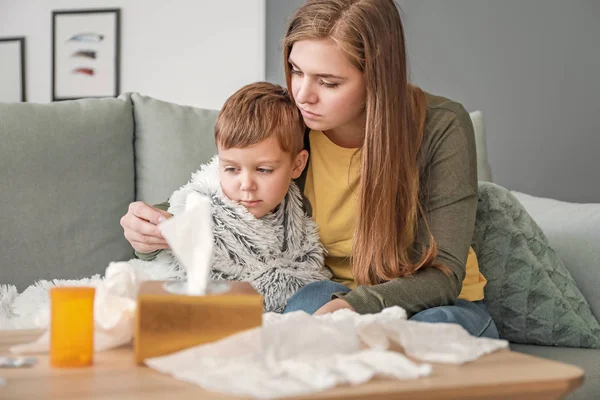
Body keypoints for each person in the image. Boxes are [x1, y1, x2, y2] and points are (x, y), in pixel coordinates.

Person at [121, 0, 498, 338]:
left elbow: (444, 275)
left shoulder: (441, 126)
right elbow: (221, 196)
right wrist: (152, 232)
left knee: (426, 335)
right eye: (296, 71)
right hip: (329, 293)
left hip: (432, 306)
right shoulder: (293, 121)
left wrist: (357, 307)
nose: (302, 94)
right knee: (306, 309)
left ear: (377, 81)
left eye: (328, 82)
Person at [130, 82, 331, 313]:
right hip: (201, 307)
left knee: (323, 291)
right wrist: (149, 237)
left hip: (274, 313)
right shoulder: (202, 201)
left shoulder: (299, 212)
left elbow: (309, 270)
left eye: (264, 170)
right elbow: (167, 226)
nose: (246, 185)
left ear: (297, 165)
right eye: (232, 169)